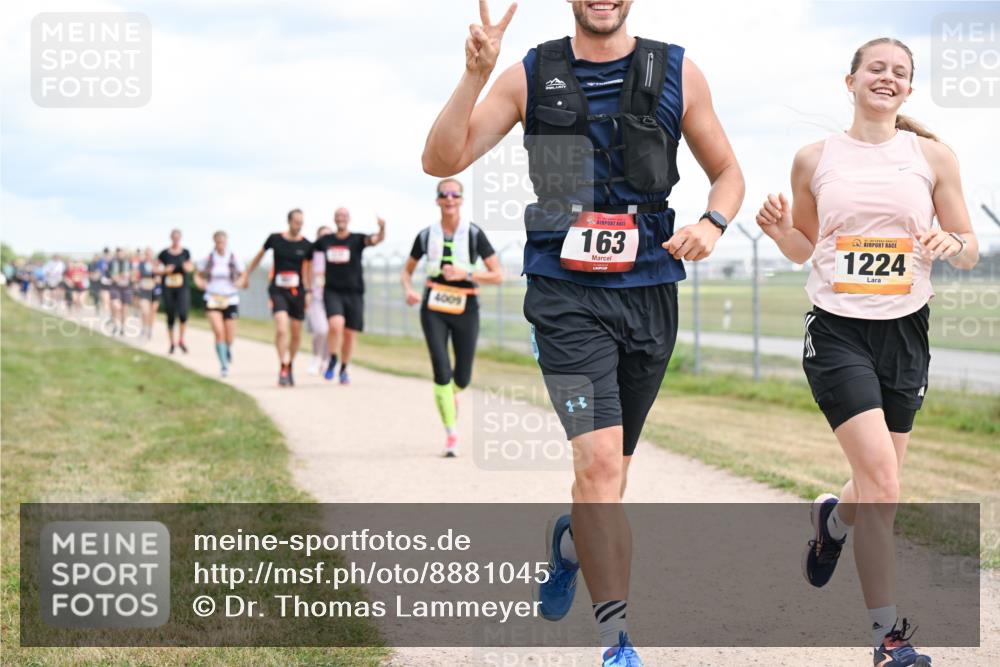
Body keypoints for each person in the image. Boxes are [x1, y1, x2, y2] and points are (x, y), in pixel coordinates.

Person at [422, 1, 744, 663]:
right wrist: (473, 75)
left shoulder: (676, 70)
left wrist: (712, 223)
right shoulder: (531, 73)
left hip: (652, 291)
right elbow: (440, 158)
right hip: (566, 298)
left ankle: (569, 544)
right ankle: (616, 641)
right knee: (596, 465)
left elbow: (729, 174)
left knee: (610, 482)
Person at [756, 37, 978, 667]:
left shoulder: (933, 158)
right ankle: (889, 638)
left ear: (908, 89)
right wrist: (779, 233)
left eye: (900, 72)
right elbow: (805, 248)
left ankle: (831, 523)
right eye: (876, 68)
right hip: (837, 332)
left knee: (878, 483)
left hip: (906, 332)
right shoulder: (814, 158)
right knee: (882, 483)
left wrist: (947, 240)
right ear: (849, 81)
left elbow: (969, 247)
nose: (888, 78)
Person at [401, 179, 502, 456]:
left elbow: (497, 275)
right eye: (444, 194)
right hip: (433, 305)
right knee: (441, 369)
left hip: (465, 307)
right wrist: (408, 290)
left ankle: (453, 394)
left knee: (463, 376)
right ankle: (451, 434)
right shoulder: (425, 235)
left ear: (461, 199)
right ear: (437, 200)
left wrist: (466, 274)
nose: (449, 199)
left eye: (454, 194)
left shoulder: (473, 234)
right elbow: (407, 271)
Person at [312, 208, 386, 384]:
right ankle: (332, 358)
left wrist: (382, 228)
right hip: (332, 291)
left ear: (349, 219)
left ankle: (344, 368)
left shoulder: (357, 239)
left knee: (350, 333)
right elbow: (308, 254)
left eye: (344, 216)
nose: (341, 219)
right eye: (338, 216)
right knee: (335, 324)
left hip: (354, 292)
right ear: (334, 219)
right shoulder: (326, 241)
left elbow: (375, 240)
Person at [240, 209, 313, 386]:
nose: (299, 226)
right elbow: (259, 257)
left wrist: (309, 292)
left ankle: (290, 364)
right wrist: (246, 274)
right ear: (288, 221)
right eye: (296, 222)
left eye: (301, 223)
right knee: (281, 328)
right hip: (277, 290)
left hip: (297, 292)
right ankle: (282, 366)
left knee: (296, 333)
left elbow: (308, 271)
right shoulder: (275, 239)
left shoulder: (306, 245)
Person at [194, 231, 245, 377]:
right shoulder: (209, 259)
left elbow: (243, 275)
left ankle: (227, 348)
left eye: (223, 242)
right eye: (218, 242)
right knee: (218, 331)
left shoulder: (234, 258)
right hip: (212, 298)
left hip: (230, 298)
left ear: (226, 242)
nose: (220, 245)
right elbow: (198, 274)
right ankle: (223, 365)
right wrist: (200, 283)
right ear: (214, 242)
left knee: (229, 335)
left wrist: (240, 282)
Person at [157, 229, 193, 353]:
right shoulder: (164, 254)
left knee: (183, 314)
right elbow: (155, 268)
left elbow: (190, 266)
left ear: (181, 238)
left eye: (178, 237)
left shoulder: (185, 252)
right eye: (174, 237)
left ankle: (181, 340)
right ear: (171, 238)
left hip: (182, 287)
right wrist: (164, 271)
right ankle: (172, 343)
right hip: (168, 288)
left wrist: (187, 268)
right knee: (170, 315)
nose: (176, 239)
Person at [306, 225, 333, 375]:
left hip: (332, 296)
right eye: (322, 236)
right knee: (320, 330)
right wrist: (307, 291)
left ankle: (326, 359)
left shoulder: (334, 253)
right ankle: (316, 357)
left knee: (331, 330)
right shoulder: (312, 254)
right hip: (316, 296)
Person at [108, 248, 135, 336]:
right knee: (116, 306)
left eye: (122, 253)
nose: (120, 255)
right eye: (119, 253)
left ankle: (122, 327)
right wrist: (119, 276)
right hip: (115, 287)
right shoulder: (112, 263)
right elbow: (110, 275)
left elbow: (132, 274)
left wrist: (129, 276)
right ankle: (116, 325)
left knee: (125, 308)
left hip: (126, 287)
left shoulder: (129, 263)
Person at [136, 248, 160, 340]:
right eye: (147, 254)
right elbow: (136, 276)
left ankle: (150, 329)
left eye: (150, 254)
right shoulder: (140, 264)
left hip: (155, 291)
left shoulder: (157, 264)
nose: (148, 255)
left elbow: (160, 278)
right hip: (144, 291)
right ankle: (144, 328)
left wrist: (156, 280)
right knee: (145, 311)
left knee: (152, 312)